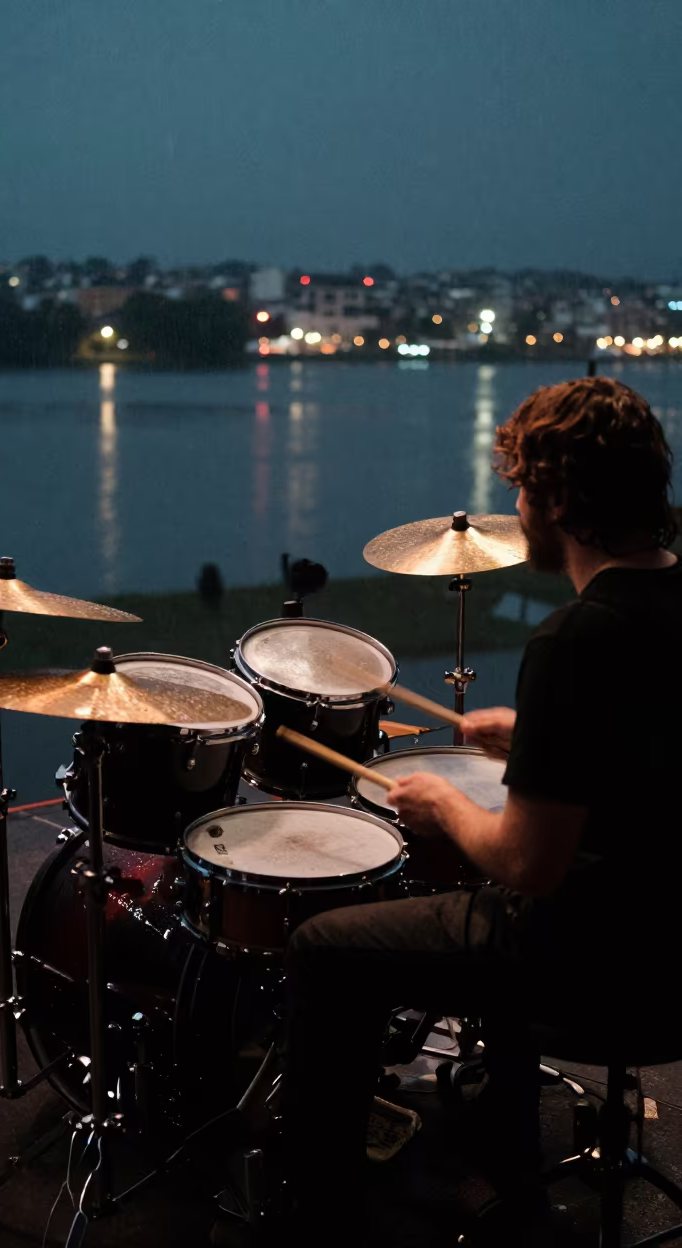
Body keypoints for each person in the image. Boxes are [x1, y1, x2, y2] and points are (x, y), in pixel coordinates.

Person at [277, 377, 681, 1243]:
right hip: (677, 944)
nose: (519, 507)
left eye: (524, 488)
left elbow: (528, 864)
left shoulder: (576, 637)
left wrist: (445, 807)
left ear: (564, 499)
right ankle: (502, 1135)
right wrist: (536, 733)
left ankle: (318, 1213)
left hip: (595, 963)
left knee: (320, 949)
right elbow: (651, 742)